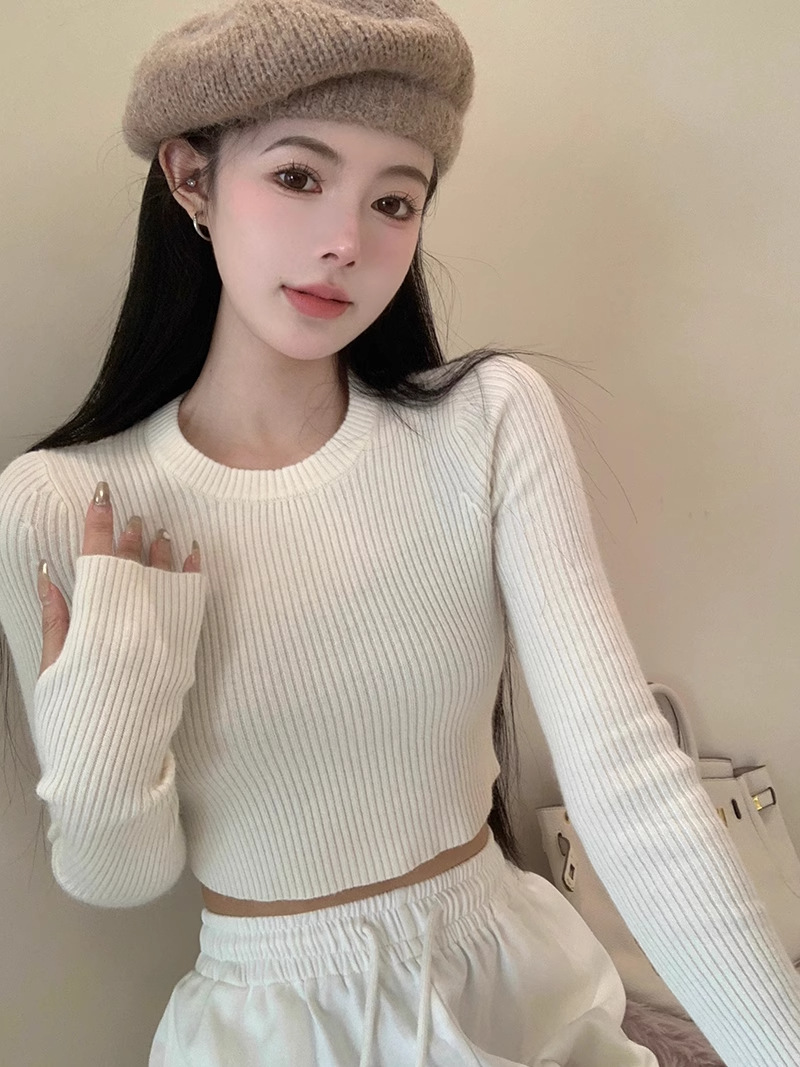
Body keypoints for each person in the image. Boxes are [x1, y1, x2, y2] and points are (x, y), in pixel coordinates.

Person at [0, 1, 799, 1064]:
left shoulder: (487, 421)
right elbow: (119, 875)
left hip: (517, 986)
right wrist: (116, 697)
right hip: (271, 1030)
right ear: (191, 178)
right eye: (298, 176)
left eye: (393, 200)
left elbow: (627, 779)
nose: (346, 242)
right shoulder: (64, 502)